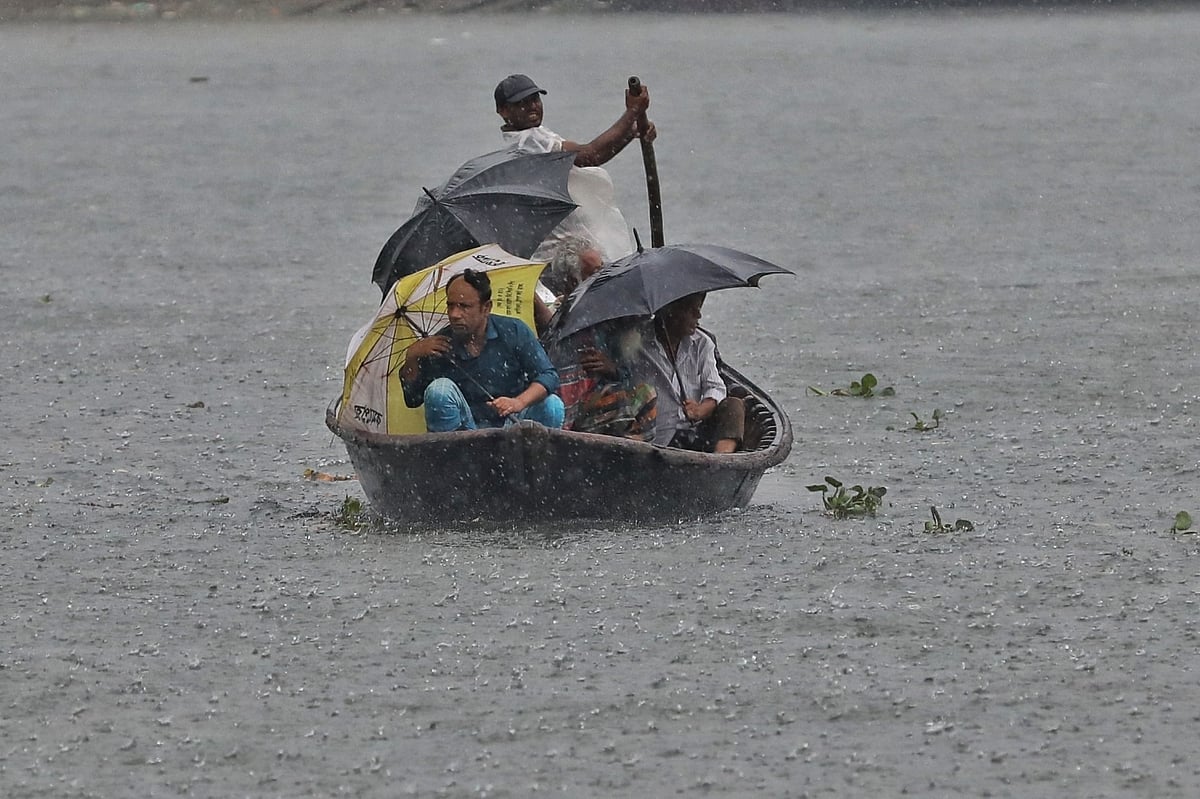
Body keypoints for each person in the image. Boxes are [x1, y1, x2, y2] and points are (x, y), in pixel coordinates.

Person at [494, 73, 656, 265]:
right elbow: (591, 155)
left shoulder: (533, 135)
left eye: (535, 99)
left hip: (569, 247)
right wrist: (633, 112)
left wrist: (631, 132)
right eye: (522, 102)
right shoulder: (529, 141)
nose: (532, 106)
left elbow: (593, 153)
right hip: (565, 253)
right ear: (503, 111)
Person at [399, 268, 565, 432]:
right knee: (439, 391)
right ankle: (448, 455)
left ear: (486, 308)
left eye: (464, 306)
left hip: (514, 427)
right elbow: (413, 398)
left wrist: (518, 403)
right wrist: (412, 356)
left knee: (553, 405)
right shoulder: (439, 344)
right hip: (465, 434)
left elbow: (548, 376)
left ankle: (535, 456)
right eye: (450, 306)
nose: (455, 314)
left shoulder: (513, 331)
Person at [638, 293, 744, 454]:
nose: (698, 315)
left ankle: (721, 462)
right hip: (655, 435)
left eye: (699, 309)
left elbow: (715, 387)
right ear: (670, 311)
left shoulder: (702, 343)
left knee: (733, 405)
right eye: (691, 310)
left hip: (694, 432)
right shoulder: (638, 342)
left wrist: (701, 410)